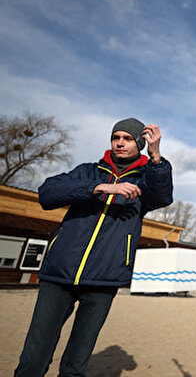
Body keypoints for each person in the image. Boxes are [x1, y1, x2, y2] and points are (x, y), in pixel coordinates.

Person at [15, 118, 173, 377]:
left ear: (140, 143)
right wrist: (98, 187)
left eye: (127, 138)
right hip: (59, 275)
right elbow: (47, 193)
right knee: (33, 359)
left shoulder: (144, 181)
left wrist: (156, 158)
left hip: (104, 278)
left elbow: (163, 196)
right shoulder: (88, 171)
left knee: (75, 365)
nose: (120, 142)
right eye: (116, 137)